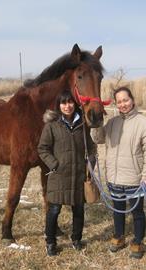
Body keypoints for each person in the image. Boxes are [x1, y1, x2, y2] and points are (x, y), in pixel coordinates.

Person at [91, 86, 146, 259]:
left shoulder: (144, 122)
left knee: (137, 212)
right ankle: (119, 236)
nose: (123, 104)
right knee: (118, 210)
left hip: (135, 178)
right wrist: (96, 123)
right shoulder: (113, 122)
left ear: (132, 100)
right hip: (114, 177)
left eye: (125, 100)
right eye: (119, 101)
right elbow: (98, 139)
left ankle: (137, 241)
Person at [37, 90, 96, 256]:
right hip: (59, 176)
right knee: (54, 210)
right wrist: (54, 164)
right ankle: (50, 242)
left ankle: (76, 239)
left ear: (75, 104)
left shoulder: (82, 125)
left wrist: (90, 164)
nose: (67, 106)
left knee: (78, 210)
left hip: (79, 175)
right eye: (63, 103)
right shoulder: (52, 126)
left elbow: (91, 147)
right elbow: (43, 148)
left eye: (70, 102)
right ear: (59, 106)